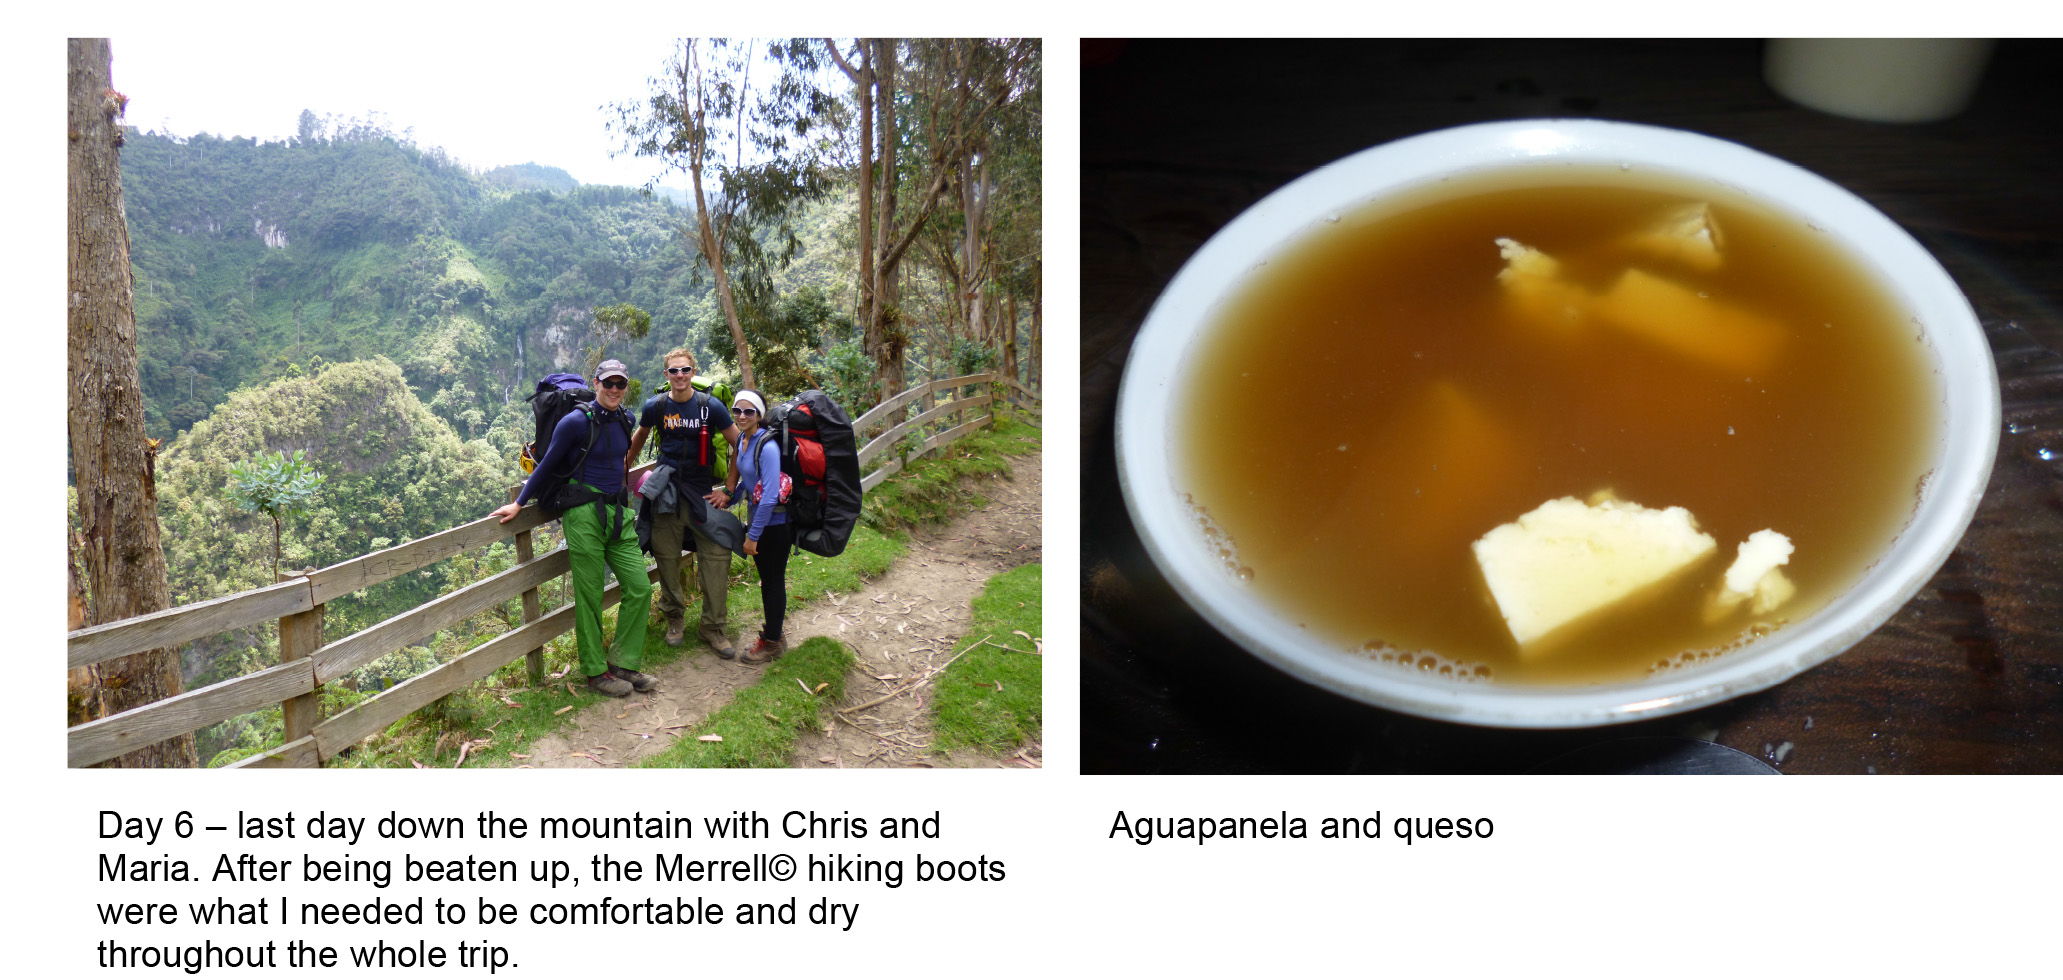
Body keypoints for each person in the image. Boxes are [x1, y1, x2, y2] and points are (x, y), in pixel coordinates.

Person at [490, 359, 654, 698]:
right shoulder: (575, 422)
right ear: (596, 383)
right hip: (583, 514)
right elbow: (546, 464)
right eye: (608, 382)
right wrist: (519, 503)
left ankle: (623, 662)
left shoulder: (627, 419)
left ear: (626, 387)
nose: (613, 389)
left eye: (620, 384)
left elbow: (622, 461)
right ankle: (596, 672)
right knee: (590, 593)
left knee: (639, 587)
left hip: (619, 511)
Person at [625, 349, 743, 656]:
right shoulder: (656, 406)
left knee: (717, 554)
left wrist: (729, 490)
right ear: (666, 375)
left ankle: (713, 627)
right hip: (666, 493)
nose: (680, 376)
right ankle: (674, 619)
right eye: (674, 371)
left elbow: (739, 444)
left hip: (702, 492)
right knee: (666, 556)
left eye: (685, 370)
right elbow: (638, 439)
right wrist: (620, 470)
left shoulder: (710, 407)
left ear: (693, 372)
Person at [731, 389, 792, 664]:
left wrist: (753, 536)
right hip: (762, 520)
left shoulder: (767, 446)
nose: (742, 416)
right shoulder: (743, 439)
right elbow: (749, 481)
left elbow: (769, 495)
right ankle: (774, 635)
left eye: (749, 412)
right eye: (737, 411)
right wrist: (729, 496)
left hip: (775, 524)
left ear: (759, 415)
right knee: (768, 580)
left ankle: (773, 642)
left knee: (772, 581)